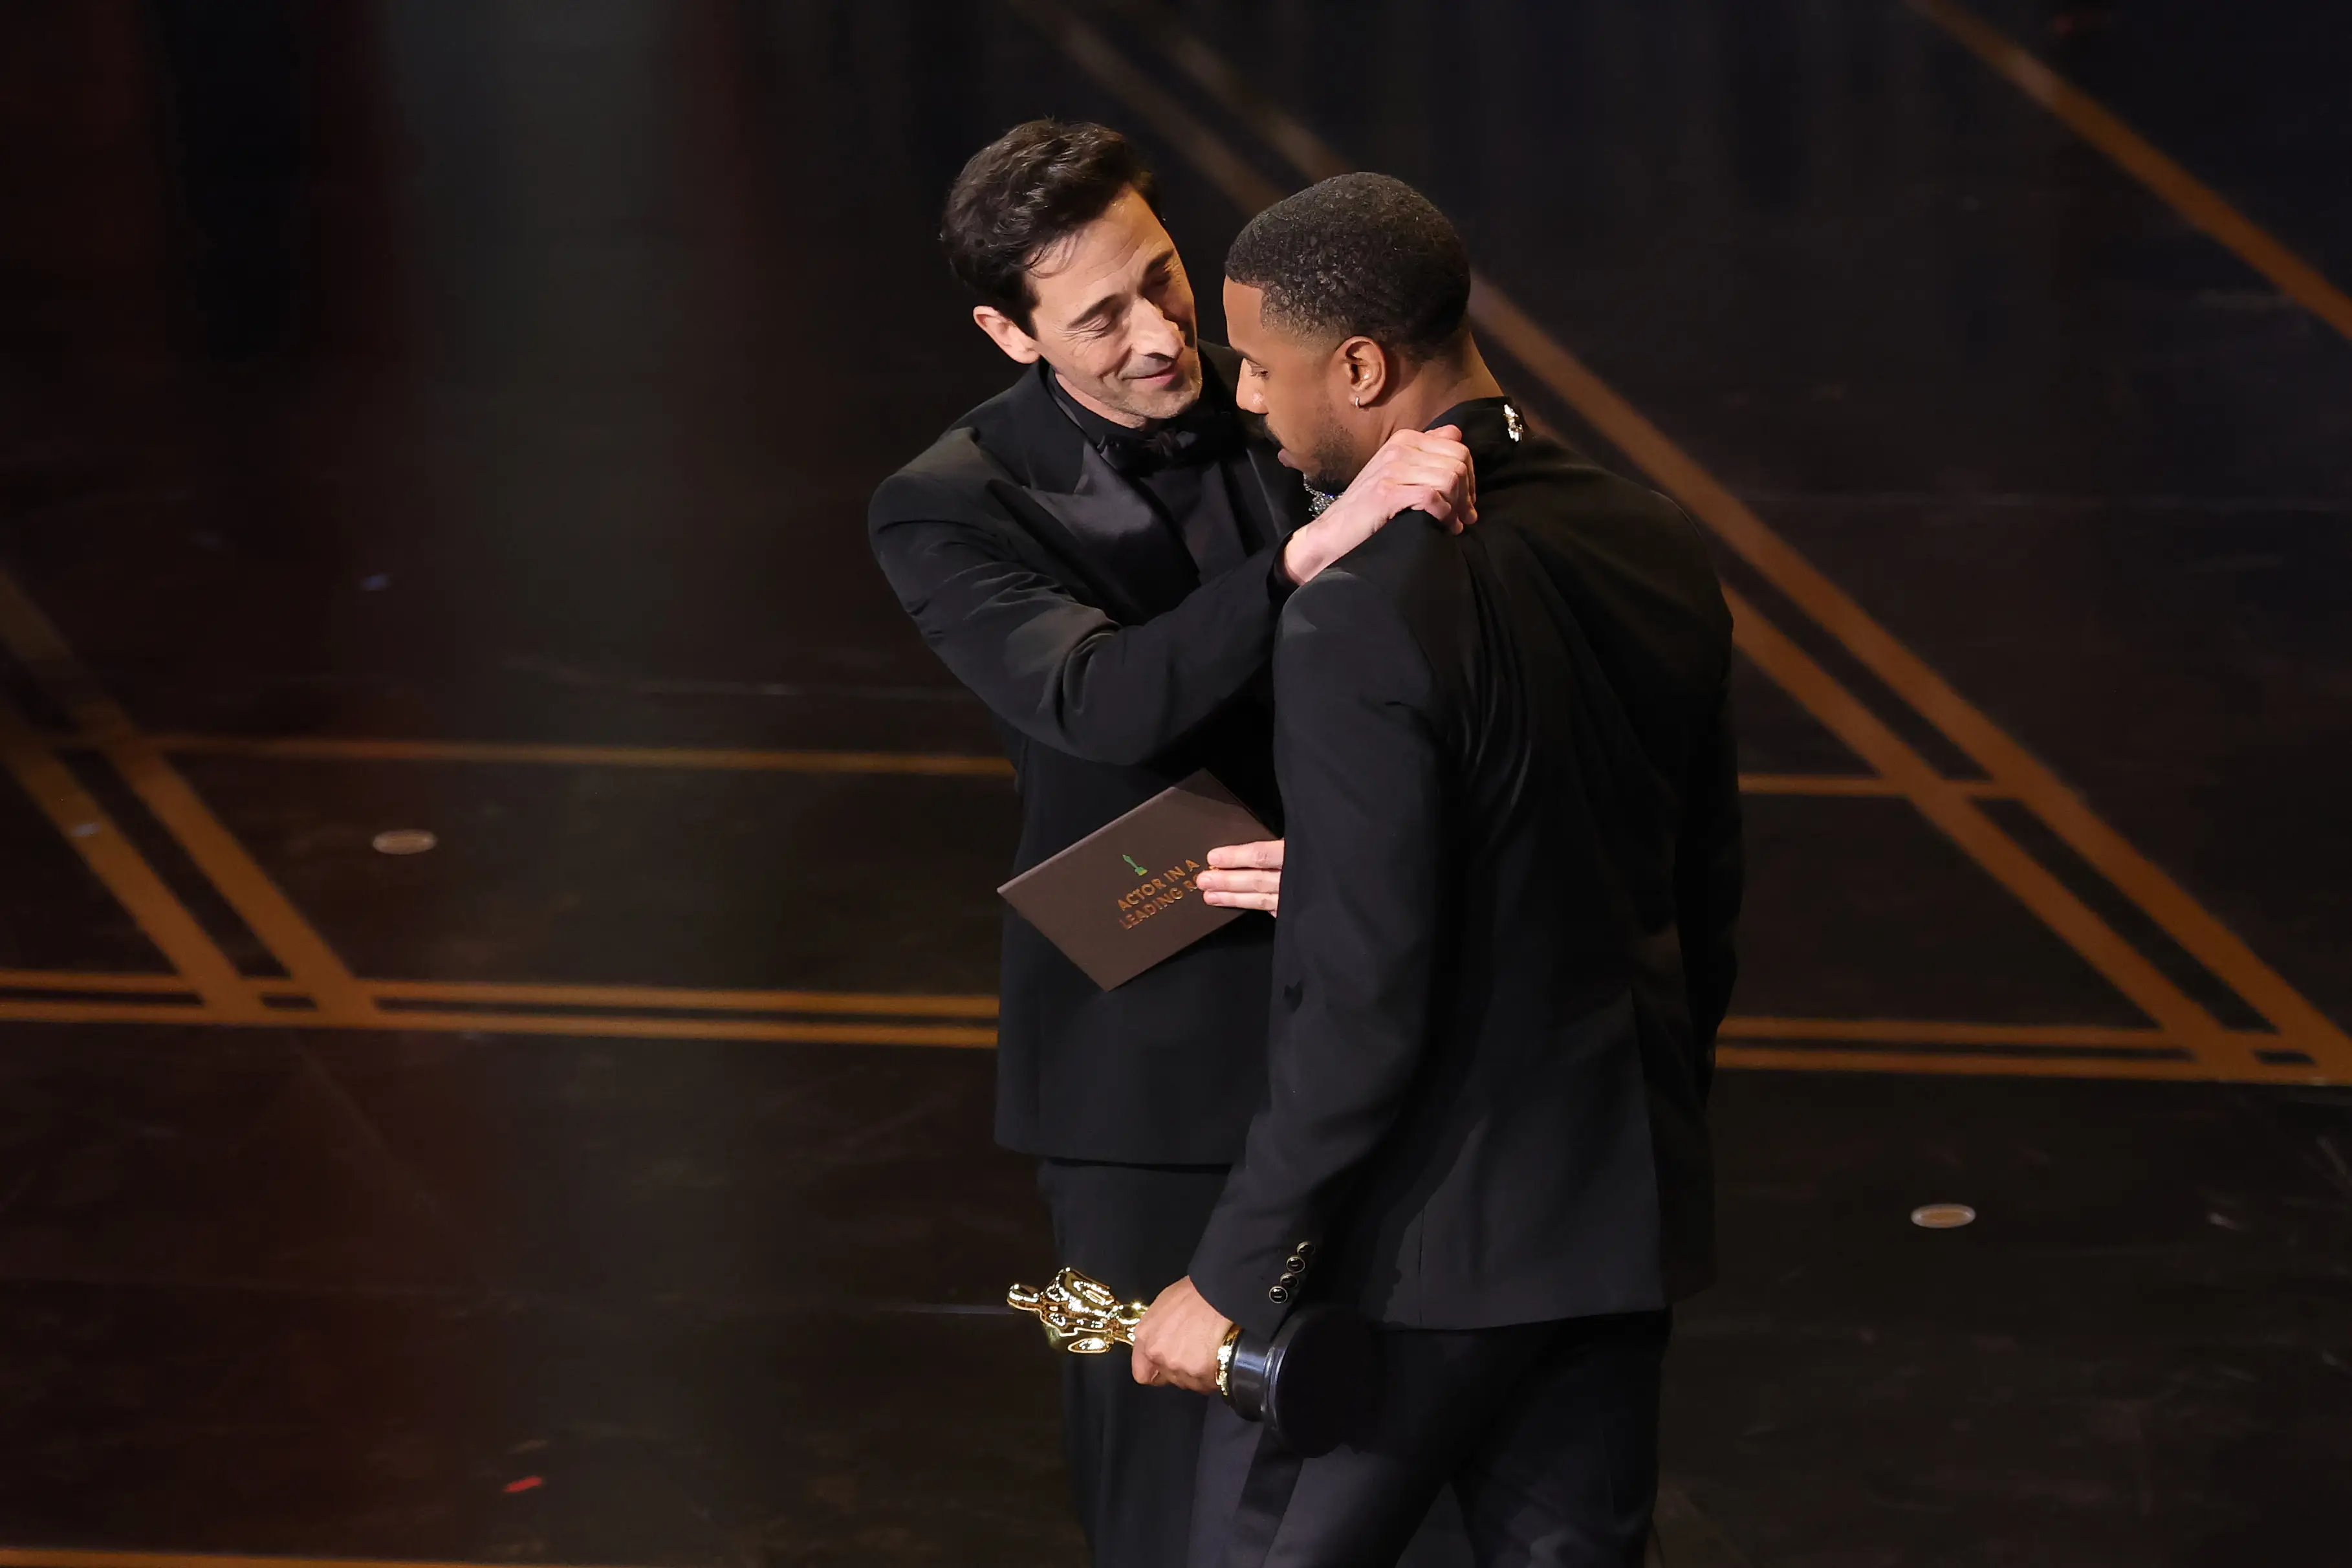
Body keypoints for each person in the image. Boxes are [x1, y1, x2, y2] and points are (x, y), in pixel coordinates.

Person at [867, 124, 1475, 1568]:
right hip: (1147, 1067)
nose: (1160, 334)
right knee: (1169, 1482)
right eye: (1102, 317)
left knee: (1409, 1454)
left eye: (1162, 277)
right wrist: (1308, 556)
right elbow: (1096, 700)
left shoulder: (1282, 406)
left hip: (1368, 1009)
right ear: (1008, 332)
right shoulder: (950, 503)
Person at [1129, 173, 1745, 1566]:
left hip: (1416, 1268)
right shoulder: (1653, 537)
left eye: (1263, 368)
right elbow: (1704, 893)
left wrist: (1232, 1276)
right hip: (1609, 1227)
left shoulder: (1365, 614)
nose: (1246, 401)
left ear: (1361, 368)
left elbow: (1366, 992)